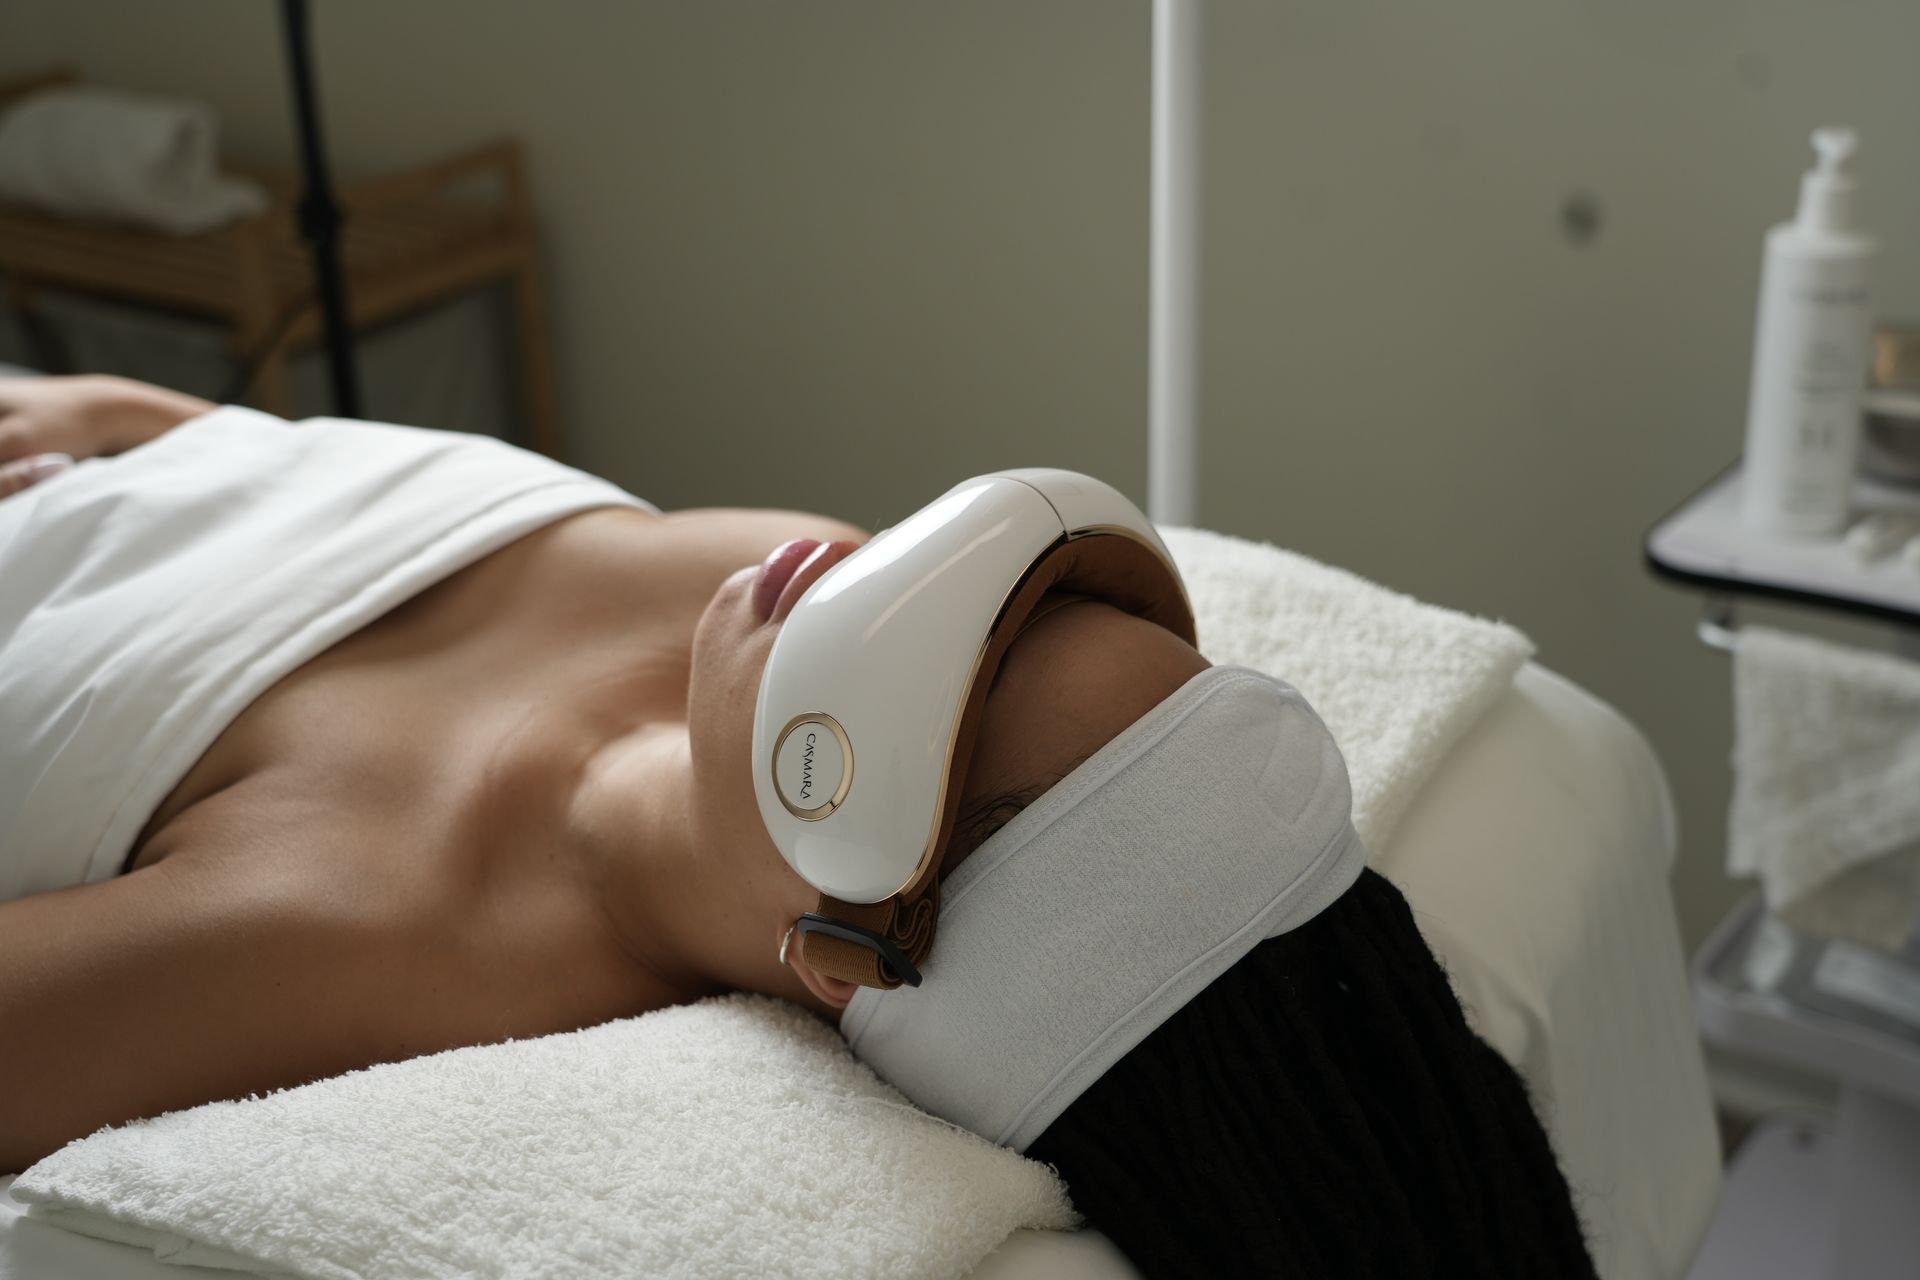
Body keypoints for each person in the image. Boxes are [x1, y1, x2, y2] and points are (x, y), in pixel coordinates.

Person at [0, 376, 1598, 1277]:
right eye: (1005, 616)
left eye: (951, 709)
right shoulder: (778, 599)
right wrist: (144, 420)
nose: (869, 582)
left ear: (852, 962)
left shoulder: (367, 933)